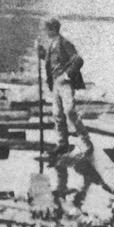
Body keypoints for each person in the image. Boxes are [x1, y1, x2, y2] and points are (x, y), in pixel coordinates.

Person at [38, 17, 92, 155]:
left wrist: (67, 75)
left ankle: (86, 142)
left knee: (70, 112)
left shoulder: (64, 43)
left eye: (46, 29)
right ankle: (63, 144)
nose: (44, 32)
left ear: (53, 29)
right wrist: (42, 53)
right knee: (57, 114)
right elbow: (53, 61)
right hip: (55, 84)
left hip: (65, 84)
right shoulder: (52, 44)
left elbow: (78, 60)